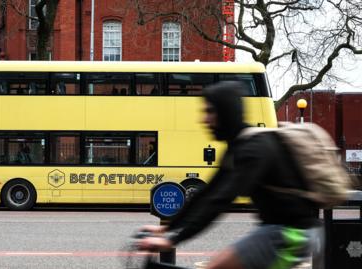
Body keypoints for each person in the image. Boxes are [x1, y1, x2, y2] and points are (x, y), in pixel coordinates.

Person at [136, 81, 320, 269]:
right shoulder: (239, 145)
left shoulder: (253, 149)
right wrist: (167, 228)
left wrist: (173, 239)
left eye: (209, 111)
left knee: (217, 267)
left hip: (291, 234)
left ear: (225, 113)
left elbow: (219, 200)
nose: (204, 119)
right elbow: (207, 193)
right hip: (277, 230)